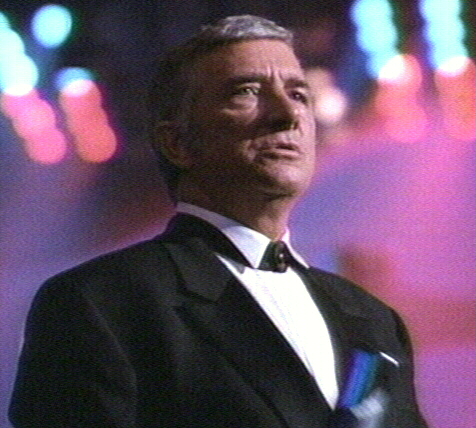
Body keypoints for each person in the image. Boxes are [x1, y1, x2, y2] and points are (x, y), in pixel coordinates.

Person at [9, 15, 428, 428]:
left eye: (299, 94)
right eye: (247, 92)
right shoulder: (102, 300)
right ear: (177, 143)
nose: (288, 114)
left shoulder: (373, 319)